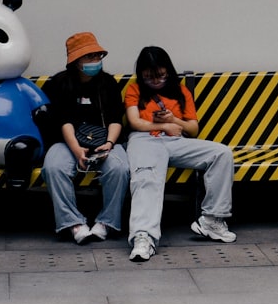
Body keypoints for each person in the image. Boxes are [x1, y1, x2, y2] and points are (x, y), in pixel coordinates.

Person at [124, 46, 236, 262]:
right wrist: (163, 126)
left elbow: (193, 130)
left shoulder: (181, 91)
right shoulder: (135, 89)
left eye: (161, 76)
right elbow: (135, 122)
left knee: (221, 153)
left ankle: (212, 219)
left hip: (176, 141)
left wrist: (173, 120)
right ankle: (143, 236)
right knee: (146, 177)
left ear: (169, 71)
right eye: (149, 77)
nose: (155, 82)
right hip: (144, 140)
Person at [40, 32, 130, 244]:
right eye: (89, 57)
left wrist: (109, 144)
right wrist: (76, 150)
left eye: (98, 56)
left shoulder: (108, 83)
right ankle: (73, 223)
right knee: (54, 167)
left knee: (119, 168)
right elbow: (64, 121)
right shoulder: (59, 83)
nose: (95, 61)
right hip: (67, 141)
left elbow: (115, 118)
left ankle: (107, 222)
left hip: (105, 139)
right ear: (75, 61)